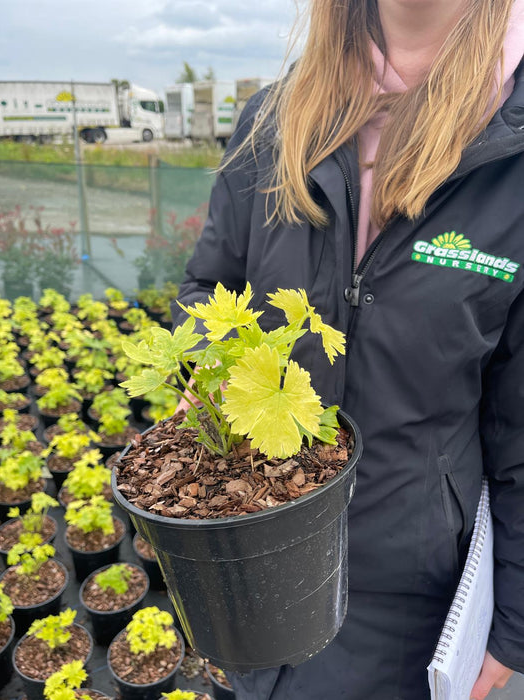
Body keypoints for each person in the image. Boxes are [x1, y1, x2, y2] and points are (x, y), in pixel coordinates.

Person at [173, 1, 524, 698]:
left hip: (406, 602)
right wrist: (208, 374)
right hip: (250, 552)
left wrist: (512, 624)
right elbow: (208, 287)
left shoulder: (509, 148)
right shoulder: (273, 120)